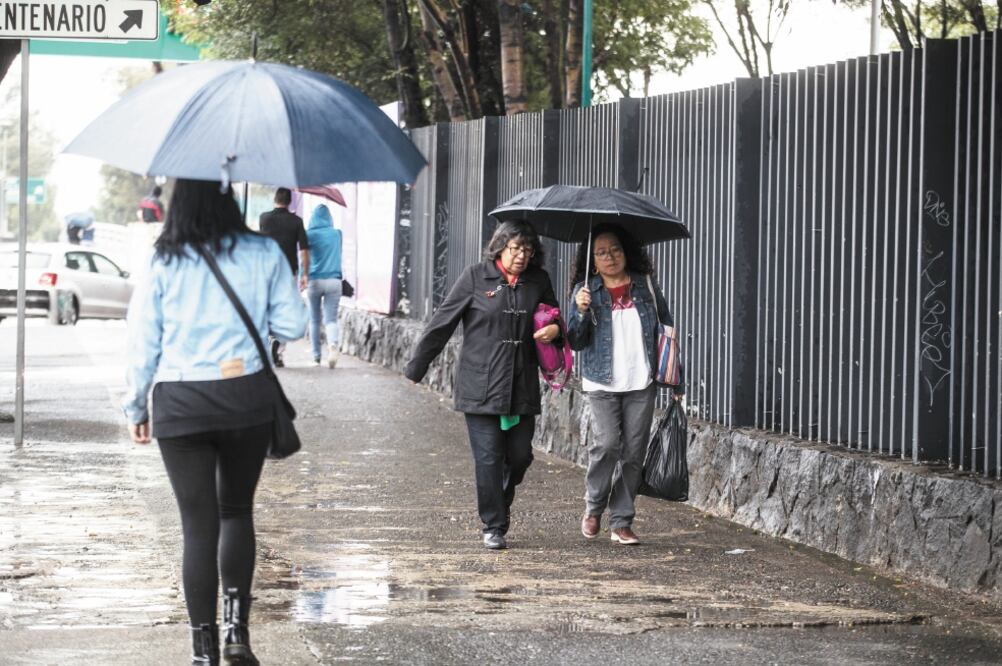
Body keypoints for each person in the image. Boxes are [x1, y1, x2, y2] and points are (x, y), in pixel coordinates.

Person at [122, 179, 308, 665]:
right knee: (236, 511)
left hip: (181, 402)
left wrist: (135, 406)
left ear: (179, 203)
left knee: (197, 526)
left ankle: (203, 650)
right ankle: (237, 635)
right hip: (244, 397)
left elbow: (143, 340)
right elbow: (292, 326)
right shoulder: (263, 251)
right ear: (227, 198)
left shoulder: (164, 258)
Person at [404, 220, 561, 550]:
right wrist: (417, 367)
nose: (521, 256)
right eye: (515, 248)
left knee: (519, 457)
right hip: (480, 384)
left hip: (520, 384)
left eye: (528, 250)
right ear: (500, 246)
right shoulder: (476, 277)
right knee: (488, 458)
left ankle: (499, 499)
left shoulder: (538, 280)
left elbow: (554, 317)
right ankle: (494, 524)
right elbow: (442, 322)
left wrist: (556, 330)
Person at [566, 223, 683, 546]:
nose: (610, 256)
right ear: (592, 260)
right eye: (601, 252)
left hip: (640, 381)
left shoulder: (645, 285)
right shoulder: (585, 291)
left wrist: (677, 379)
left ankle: (621, 521)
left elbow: (667, 329)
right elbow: (575, 341)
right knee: (607, 445)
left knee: (633, 454)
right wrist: (580, 311)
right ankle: (594, 507)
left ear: (626, 251)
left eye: (615, 249)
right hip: (601, 382)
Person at [259, 187, 310, 367]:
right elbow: (304, 250)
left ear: (275, 200)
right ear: (289, 202)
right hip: (289, 271)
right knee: (284, 308)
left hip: (267, 270)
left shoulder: (264, 218)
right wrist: (305, 274)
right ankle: (279, 349)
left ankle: (268, 341)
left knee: (267, 306)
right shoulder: (297, 221)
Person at [304, 204, 344, 368]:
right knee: (331, 319)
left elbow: (304, 257)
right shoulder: (337, 234)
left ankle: (316, 357)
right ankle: (333, 345)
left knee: (314, 320)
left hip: (314, 280)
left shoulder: (308, 235)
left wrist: (302, 277)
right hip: (334, 280)